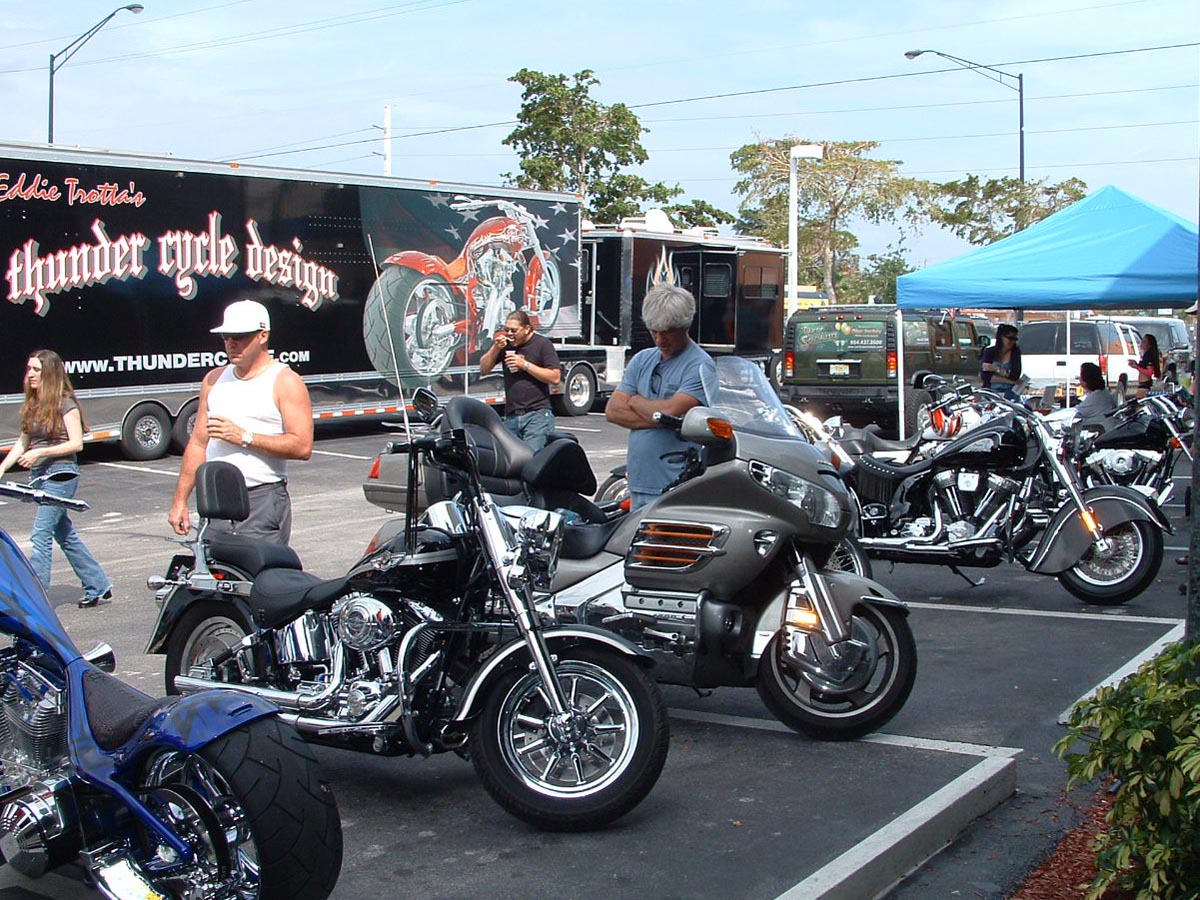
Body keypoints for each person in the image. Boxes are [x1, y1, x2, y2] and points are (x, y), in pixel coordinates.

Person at [169, 299, 313, 544]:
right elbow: (198, 444)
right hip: (215, 501)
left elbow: (302, 446)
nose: (231, 343)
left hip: (260, 499)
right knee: (211, 567)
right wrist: (180, 500)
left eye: (239, 336)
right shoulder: (214, 380)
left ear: (262, 336)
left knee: (260, 568)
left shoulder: (285, 381)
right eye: (225, 337)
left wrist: (244, 437)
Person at [0, 351, 113, 607]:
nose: (30, 374)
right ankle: (98, 585)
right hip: (40, 477)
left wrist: (40, 452)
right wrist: (3, 468)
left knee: (40, 534)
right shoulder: (33, 404)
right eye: (29, 369)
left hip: (61, 475)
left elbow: (76, 444)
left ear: (49, 374)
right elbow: (22, 443)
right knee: (65, 534)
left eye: (36, 370)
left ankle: (37, 599)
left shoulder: (65, 404)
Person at [606, 283, 715, 510]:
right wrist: (663, 419)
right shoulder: (642, 359)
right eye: (654, 331)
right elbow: (613, 411)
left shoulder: (700, 365)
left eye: (668, 332)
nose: (660, 339)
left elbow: (671, 412)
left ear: (685, 326)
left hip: (676, 484)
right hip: (639, 482)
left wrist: (635, 401)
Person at [479, 310, 562, 452]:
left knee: (532, 458)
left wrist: (525, 365)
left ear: (527, 329)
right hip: (512, 415)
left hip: (537, 414)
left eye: (514, 330)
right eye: (507, 330)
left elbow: (555, 377)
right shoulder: (507, 346)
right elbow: (484, 369)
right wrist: (496, 348)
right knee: (510, 458)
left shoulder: (542, 344)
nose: (509, 334)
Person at [980, 323, 1022, 400]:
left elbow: (1015, 375)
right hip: (991, 392)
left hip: (1010, 393)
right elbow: (985, 376)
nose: (1013, 342)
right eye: (1010, 338)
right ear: (1001, 337)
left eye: (1015, 339)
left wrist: (994, 368)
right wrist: (1009, 379)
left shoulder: (1015, 353)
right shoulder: (989, 352)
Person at [1075, 361, 1118, 429]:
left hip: (1100, 431)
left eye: (1080, 376)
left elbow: (1076, 413)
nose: (1079, 378)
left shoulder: (1096, 397)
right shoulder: (1102, 393)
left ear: (1086, 381)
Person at [1130, 332, 1161, 399]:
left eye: (1144, 342)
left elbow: (1149, 372)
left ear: (1149, 345)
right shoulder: (1145, 355)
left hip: (1145, 384)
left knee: (1139, 401)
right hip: (1142, 383)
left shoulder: (1148, 355)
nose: (1142, 343)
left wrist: (1137, 367)